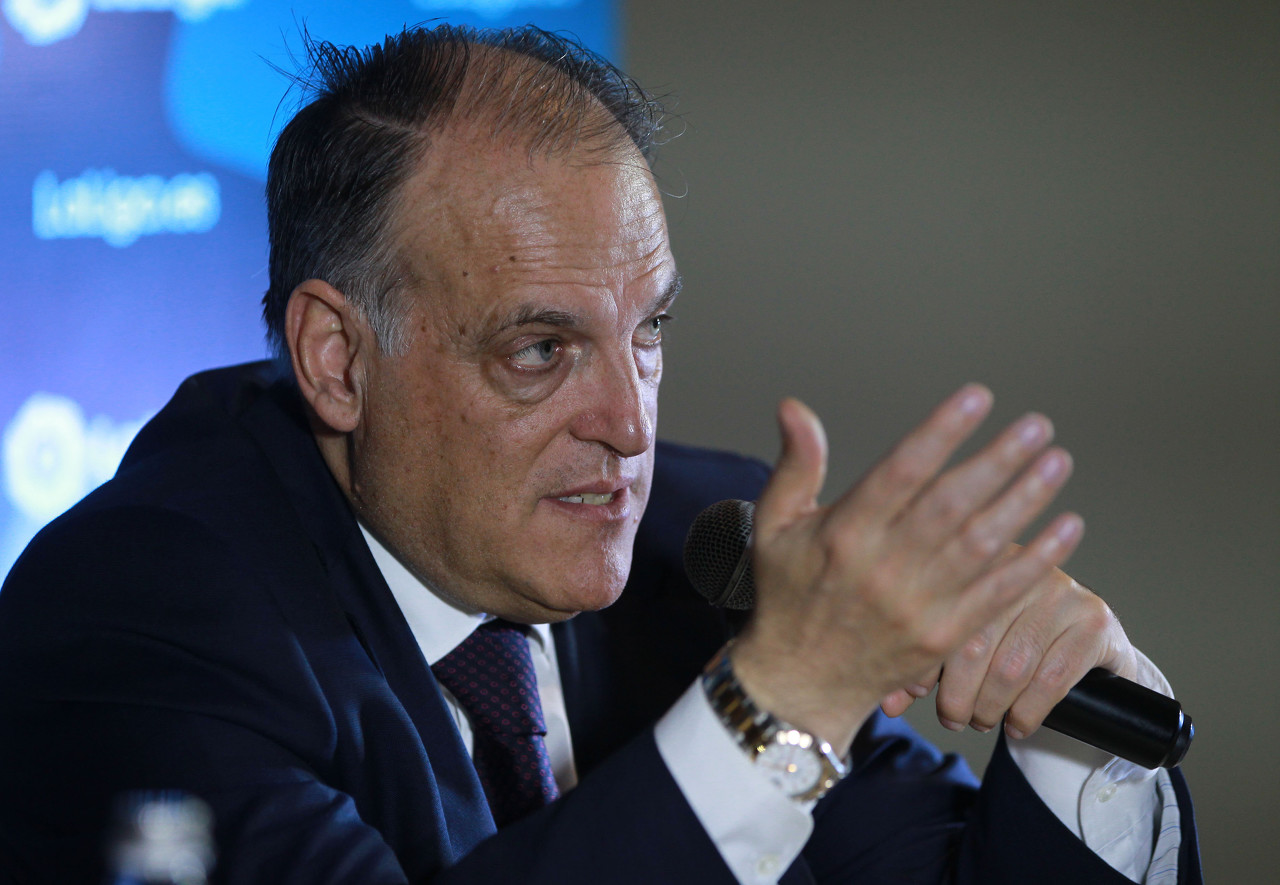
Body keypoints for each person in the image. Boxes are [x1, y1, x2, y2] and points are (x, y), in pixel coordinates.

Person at [0, 24, 1199, 884]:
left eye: (649, 331)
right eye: (539, 350)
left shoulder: (701, 543)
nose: (628, 426)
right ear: (338, 359)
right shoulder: (134, 612)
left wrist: (1073, 728)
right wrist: (775, 713)